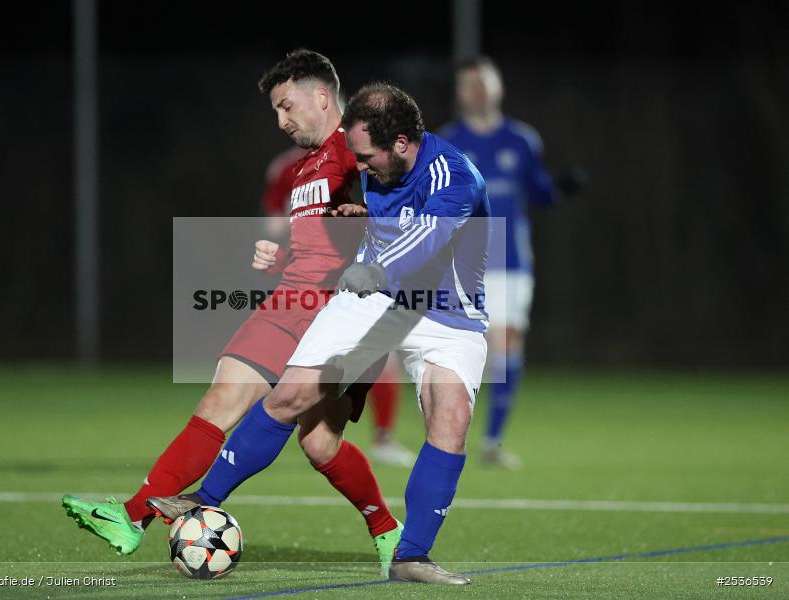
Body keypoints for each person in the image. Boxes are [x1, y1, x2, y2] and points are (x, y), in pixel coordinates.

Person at [61, 50, 402, 577]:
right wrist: (283, 257)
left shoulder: (358, 149)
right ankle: (131, 518)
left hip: (344, 313)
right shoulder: (302, 170)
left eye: (286, 106)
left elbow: (403, 220)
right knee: (222, 396)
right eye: (275, 111)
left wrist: (371, 222)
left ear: (321, 95)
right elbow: (321, 247)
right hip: (289, 302)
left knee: (320, 443)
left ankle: (386, 530)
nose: (281, 120)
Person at [150, 83, 491, 585]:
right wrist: (359, 223)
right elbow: (391, 218)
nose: (361, 168)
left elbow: (424, 240)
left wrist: (375, 267)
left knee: (451, 418)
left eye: (367, 156)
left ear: (401, 143)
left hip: (446, 313)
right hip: (372, 298)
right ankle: (202, 499)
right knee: (292, 394)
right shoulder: (379, 163)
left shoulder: (455, 177)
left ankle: (411, 557)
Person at [440, 56, 583, 468]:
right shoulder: (448, 142)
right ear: (460, 93)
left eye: (485, 82)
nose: (478, 90)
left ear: (498, 87)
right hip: (464, 260)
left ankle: (492, 441)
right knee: (466, 353)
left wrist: (561, 189)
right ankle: (449, 435)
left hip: (511, 259)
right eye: (469, 84)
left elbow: (539, 193)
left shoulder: (521, 140)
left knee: (506, 346)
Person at [260, 146, 415, 467]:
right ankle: (378, 438)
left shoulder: (293, 165)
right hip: (331, 276)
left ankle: (261, 432)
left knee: (293, 359)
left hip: (344, 275)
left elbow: (274, 226)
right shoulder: (359, 158)